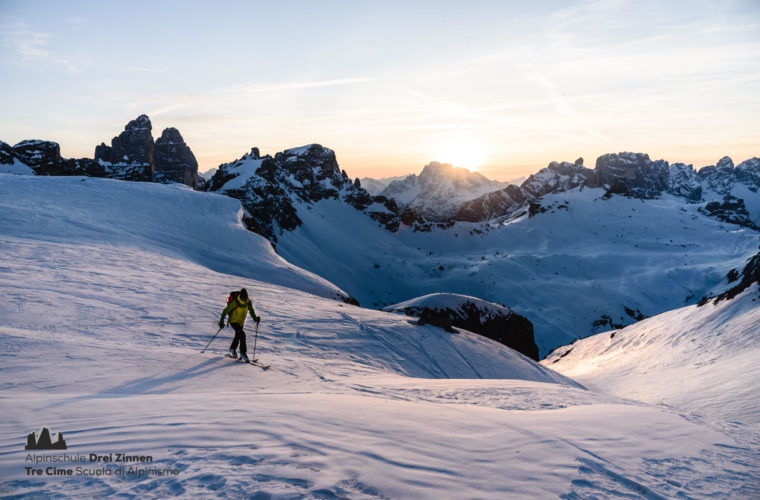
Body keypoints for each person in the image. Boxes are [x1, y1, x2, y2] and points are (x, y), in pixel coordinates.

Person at [219, 288, 260, 362]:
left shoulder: (248, 302)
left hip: (241, 323)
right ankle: (243, 353)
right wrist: (221, 322)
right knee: (242, 335)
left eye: (246, 297)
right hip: (233, 321)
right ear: (241, 297)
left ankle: (232, 349)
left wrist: (255, 319)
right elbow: (225, 311)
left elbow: (251, 311)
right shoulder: (236, 302)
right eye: (244, 298)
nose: (245, 299)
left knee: (238, 336)